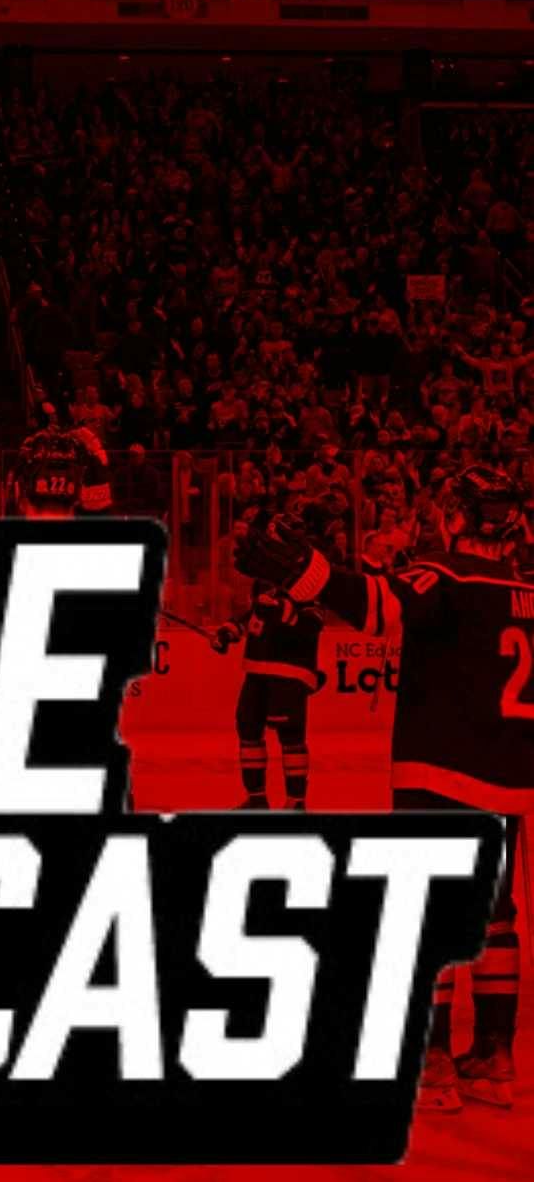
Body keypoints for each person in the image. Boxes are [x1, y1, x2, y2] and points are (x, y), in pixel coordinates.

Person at [237, 464, 532, 1112]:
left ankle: (431, 1061)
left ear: (456, 513)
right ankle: (495, 1055)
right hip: (512, 774)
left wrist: (307, 572)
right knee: (497, 912)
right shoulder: (526, 586)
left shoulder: (446, 573)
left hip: (442, 765)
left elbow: (379, 607)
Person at [211, 569, 325, 811]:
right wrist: (229, 631)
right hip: (256, 671)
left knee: (290, 736)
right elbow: (252, 616)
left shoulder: (306, 582)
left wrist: (280, 611)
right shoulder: (265, 582)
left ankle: (296, 801)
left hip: (289, 674)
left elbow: (312, 624)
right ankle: (256, 798)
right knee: (248, 728)